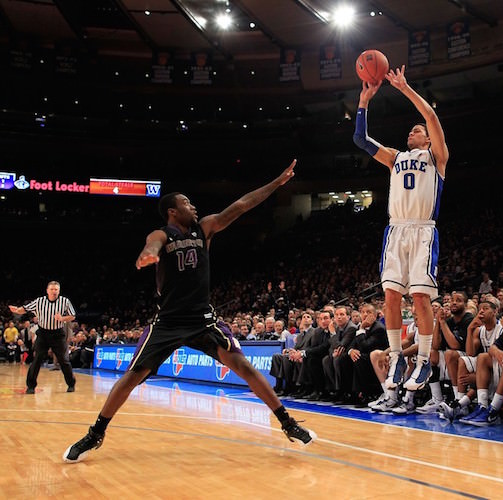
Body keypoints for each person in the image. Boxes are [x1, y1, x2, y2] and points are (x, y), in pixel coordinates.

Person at [62, 159, 315, 464]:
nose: (193, 207)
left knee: (244, 367)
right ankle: (96, 433)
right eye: (186, 202)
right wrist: (148, 255)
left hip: (202, 320)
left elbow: (242, 205)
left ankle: (288, 424)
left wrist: (276, 183)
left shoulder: (204, 228)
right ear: (172, 210)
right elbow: (152, 244)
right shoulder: (162, 235)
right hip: (168, 321)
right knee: (132, 377)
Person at [352, 65, 449, 398]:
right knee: (391, 296)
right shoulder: (395, 157)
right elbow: (360, 140)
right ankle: (396, 358)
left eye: (417, 130)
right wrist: (364, 101)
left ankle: (423, 360)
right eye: (412, 130)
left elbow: (432, 117)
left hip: (423, 230)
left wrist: (404, 89)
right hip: (396, 231)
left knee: (420, 297)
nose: (414, 131)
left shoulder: (437, 158)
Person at [8, 281, 77, 393]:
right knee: (37, 359)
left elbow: (72, 316)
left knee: (64, 360)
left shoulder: (65, 301)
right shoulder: (39, 301)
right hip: (43, 334)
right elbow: (25, 308)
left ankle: (71, 384)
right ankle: (31, 386)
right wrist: (16, 310)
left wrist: (63, 319)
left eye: (56, 289)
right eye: (52, 289)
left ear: (59, 291)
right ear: (47, 290)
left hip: (58, 334)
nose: (54, 291)